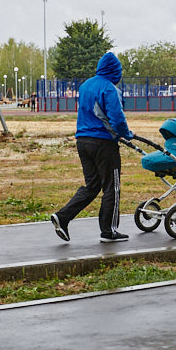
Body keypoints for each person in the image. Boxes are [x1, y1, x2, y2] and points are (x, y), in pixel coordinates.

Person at [51, 52, 134, 244]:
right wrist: (125, 133)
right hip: (103, 144)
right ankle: (109, 231)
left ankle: (62, 217)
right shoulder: (109, 88)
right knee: (112, 187)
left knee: (92, 186)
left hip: (83, 141)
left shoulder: (86, 85)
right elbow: (116, 117)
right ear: (115, 71)